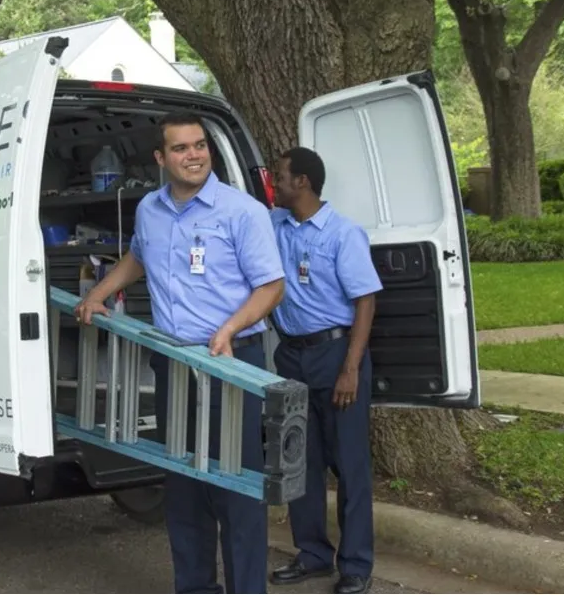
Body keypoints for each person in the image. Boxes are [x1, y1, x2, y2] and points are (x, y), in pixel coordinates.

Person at [75, 111, 286, 594]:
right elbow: (137, 256)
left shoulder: (240, 212)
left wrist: (231, 328)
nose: (193, 156)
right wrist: (98, 294)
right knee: (185, 487)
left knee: (235, 487)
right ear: (160, 158)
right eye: (181, 148)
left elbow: (272, 287)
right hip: (173, 363)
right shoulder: (150, 209)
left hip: (230, 364)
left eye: (199, 146)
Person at [265, 147, 382, 595]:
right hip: (291, 356)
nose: (273, 185)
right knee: (300, 461)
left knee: (349, 465)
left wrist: (350, 368)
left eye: (279, 178)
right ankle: (312, 554)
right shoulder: (274, 225)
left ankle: (355, 565)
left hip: (336, 356)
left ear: (303, 183)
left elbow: (365, 301)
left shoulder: (342, 233)